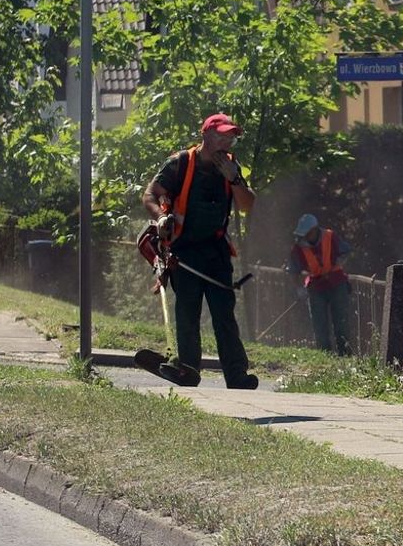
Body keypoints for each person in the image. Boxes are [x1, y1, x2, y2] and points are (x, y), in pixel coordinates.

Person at [142, 113, 259, 389]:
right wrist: (161, 216)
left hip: (217, 252)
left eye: (230, 138)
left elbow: (247, 205)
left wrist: (234, 180)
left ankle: (237, 376)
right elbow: (149, 194)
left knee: (224, 314)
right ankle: (187, 369)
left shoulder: (231, 167)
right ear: (205, 135)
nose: (226, 143)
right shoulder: (180, 163)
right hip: (183, 251)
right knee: (187, 311)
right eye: (221, 136)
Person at [288, 214, 352, 356]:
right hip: (316, 288)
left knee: (341, 323)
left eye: (308, 233)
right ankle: (325, 356)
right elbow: (293, 271)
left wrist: (339, 262)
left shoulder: (330, 236)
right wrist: (299, 289)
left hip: (337, 283)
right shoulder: (299, 247)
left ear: (315, 230)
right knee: (319, 326)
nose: (305, 236)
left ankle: (345, 355)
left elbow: (346, 251)